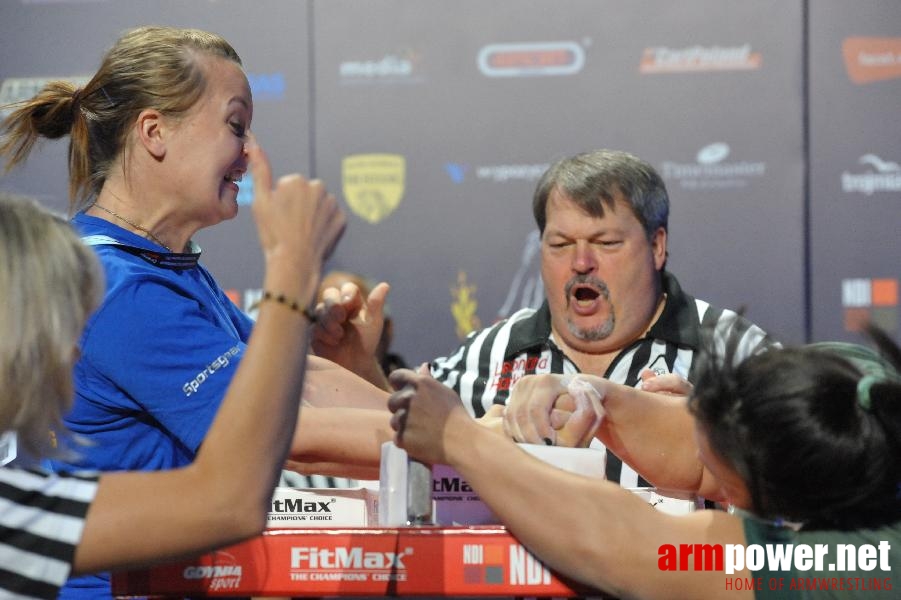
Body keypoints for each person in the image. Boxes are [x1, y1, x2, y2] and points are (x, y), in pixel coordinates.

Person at [0, 25, 391, 599]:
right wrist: (471, 445)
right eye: (236, 125)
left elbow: (294, 384)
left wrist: (464, 431)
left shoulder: (159, 266)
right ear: (154, 132)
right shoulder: (115, 285)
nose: (251, 150)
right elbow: (284, 432)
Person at [313, 149, 779, 486]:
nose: (580, 263)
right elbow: (404, 441)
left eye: (605, 243)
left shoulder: (733, 351)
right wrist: (359, 366)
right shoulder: (492, 351)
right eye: (560, 245)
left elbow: (810, 476)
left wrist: (714, 433)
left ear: (657, 247)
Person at [385, 326, 901, 599]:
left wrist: (460, 439)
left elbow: (624, 546)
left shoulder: (844, 566)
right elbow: (690, 446)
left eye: (718, 475)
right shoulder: (860, 388)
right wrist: (592, 391)